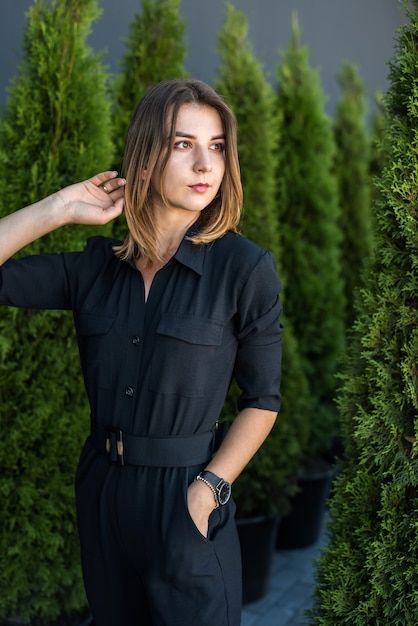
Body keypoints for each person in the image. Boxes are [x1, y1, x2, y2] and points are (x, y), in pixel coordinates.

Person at [0, 79, 283, 626]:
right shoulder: (93, 267)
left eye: (217, 145)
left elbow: (263, 401)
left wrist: (208, 492)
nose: (205, 162)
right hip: (104, 491)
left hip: (187, 494)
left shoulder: (244, 270)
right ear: (147, 155)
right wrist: (59, 207)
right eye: (183, 144)